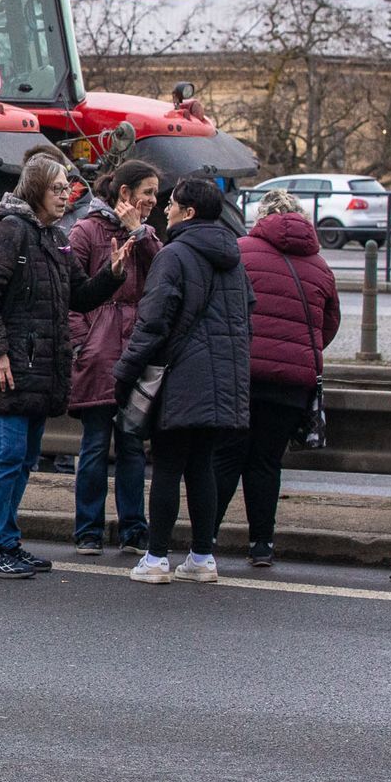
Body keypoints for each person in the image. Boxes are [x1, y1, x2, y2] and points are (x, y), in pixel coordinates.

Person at [0, 154, 127, 579]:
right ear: (35, 188)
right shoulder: (10, 231)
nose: (65, 195)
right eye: (57, 188)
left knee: (23, 458)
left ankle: (5, 541)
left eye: (67, 189)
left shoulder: (52, 237)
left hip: (38, 370)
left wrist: (111, 273)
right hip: (12, 367)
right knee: (7, 456)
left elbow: (80, 295)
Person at [113, 176, 253, 584]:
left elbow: (153, 322)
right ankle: (202, 557)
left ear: (188, 212)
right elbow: (247, 314)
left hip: (182, 376)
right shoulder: (233, 256)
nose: (165, 208)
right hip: (224, 379)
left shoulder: (174, 255)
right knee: (202, 467)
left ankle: (156, 559)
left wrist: (124, 372)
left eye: (171, 203)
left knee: (169, 465)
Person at [213, 188, 340, 566]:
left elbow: (221, 307)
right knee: (267, 461)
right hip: (292, 384)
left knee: (227, 457)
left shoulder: (241, 252)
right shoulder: (320, 265)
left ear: (261, 219)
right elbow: (328, 325)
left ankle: (207, 538)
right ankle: (262, 545)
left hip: (243, 374)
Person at [66, 161, 162, 556]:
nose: (154, 202)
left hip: (136, 352)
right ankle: (87, 530)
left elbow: (164, 275)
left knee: (132, 445)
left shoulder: (147, 235)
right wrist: (80, 343)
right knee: (94, 445)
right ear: (124, 194)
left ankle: (132, 529)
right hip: (99, 351)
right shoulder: (86, 230)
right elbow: (70, 295)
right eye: (148, 192)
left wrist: (139, 234)